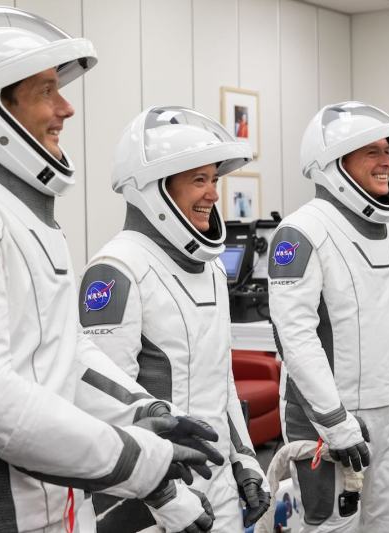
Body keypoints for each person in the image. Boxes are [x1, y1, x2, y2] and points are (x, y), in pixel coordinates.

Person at [0, 8, 219, 533]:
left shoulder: (17, 216)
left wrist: (139, 411)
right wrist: (140, 465)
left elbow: (60, 356)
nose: (66, 108)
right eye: (45, 92)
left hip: (58, 507)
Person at [266, 101, 389, 533]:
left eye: (387, 149)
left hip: (385, 412)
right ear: (335, 162)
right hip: (320, 420)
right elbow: (294, 338)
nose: (388, 160)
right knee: (330, 527)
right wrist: (335, 423)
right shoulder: (301, 232)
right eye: (372, 151)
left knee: (386, 523)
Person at [79, 105, 271, 532]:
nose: (213, 194)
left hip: (216, 485)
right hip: (151, 499)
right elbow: (107, 410)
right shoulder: (116, 269)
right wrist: (168, 500)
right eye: (198, 180)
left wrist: (245, 462)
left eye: (214, 179)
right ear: (154, 190)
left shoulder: (214, 267)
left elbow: (222, 380)